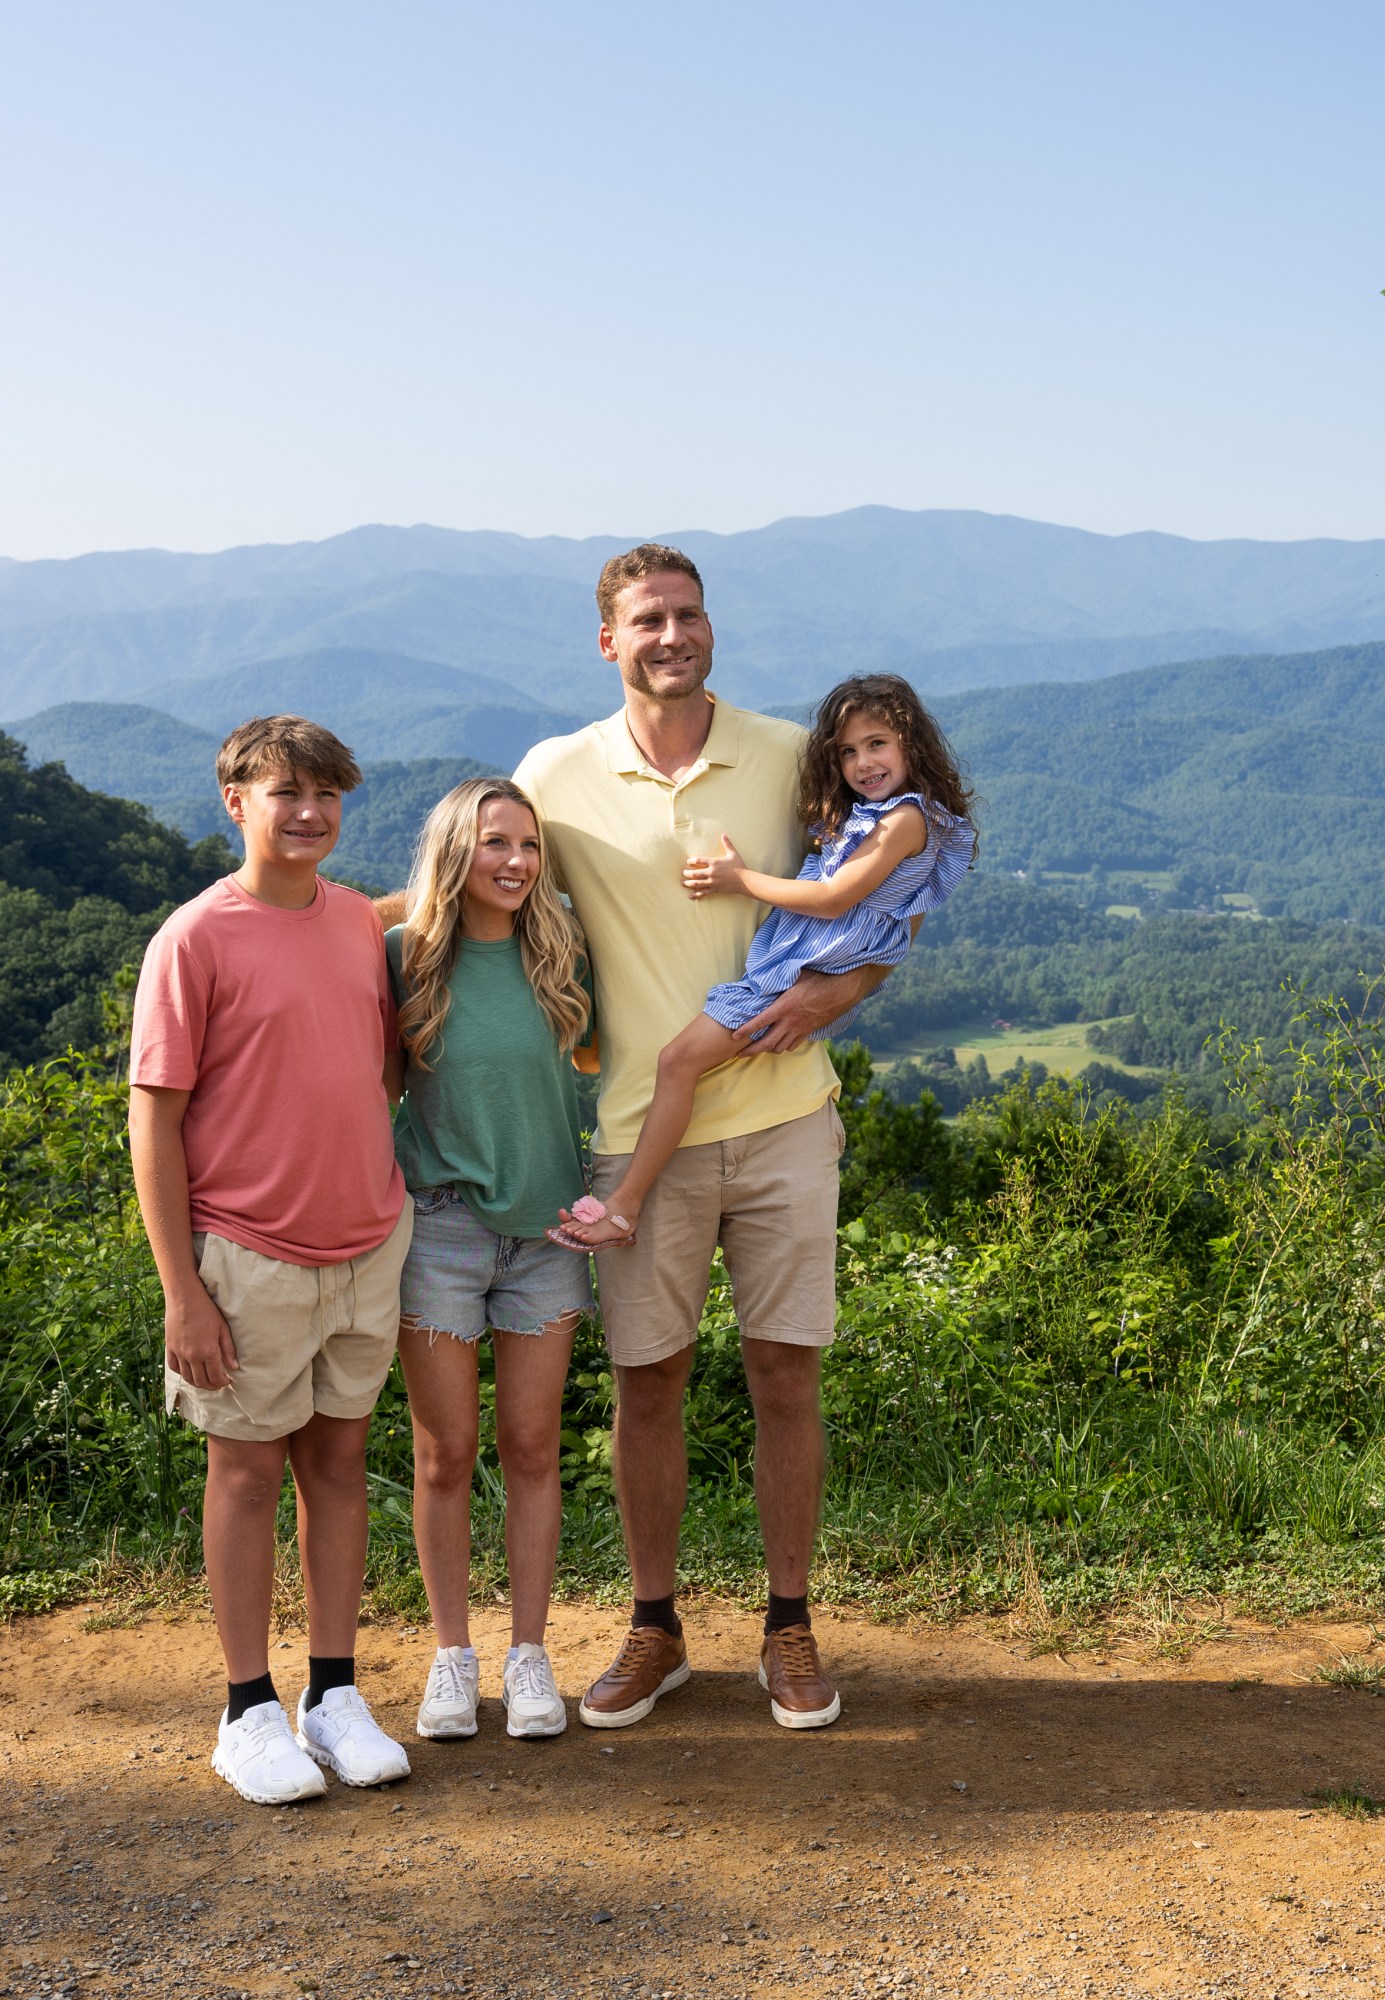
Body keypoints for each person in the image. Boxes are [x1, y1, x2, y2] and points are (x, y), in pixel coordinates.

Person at [512, 544, 894, 1734]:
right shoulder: (556, 773)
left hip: (785, 1119)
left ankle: (788, 1622)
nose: (670, 634)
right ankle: (656, 1624)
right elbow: (478, 890)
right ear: (609, 641)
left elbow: (880, 893)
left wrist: (841, 993)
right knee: (648, 1381)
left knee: (787, 1371)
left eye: (686, 614)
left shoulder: (789, 755)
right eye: (646, 619)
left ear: (711, 628)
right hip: (639, 1138)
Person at [131, 714, 418, 1807]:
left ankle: (333, 1693)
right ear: (234, 800)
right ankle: (248, 1707)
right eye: (284, 790)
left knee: (339, 1467)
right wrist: (182, 1288)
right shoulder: (194, 938)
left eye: (327, 793)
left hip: (365, 1242)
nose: (308, 810)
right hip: (246, 1256)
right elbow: (152, 1122)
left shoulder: (355, 922)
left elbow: (377, 1062)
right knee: (247, 1472)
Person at [552, 672, 973, 1248]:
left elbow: (834, 898)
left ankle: (622, 1206)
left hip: (791, 979)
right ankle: (628, 1201)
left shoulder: (903, 819)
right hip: (798, 970)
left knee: (676, 1062)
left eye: (878, 744)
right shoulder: (886, 814)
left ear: (911, 744)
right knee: (687, 1064)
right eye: (848, 751)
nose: (862, 762)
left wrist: (740, 879)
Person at [383, 776, 597, 1743]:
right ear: (454, 854)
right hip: (441, 1228)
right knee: (443, 1455)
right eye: (493, 843)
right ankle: (451, 1659)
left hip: (549, 1233)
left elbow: (609, 1056)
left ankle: (531, 1655)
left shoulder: (562, 950)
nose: (514, 862)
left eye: (527, 845)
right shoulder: (403, 961)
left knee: (533, 1450)